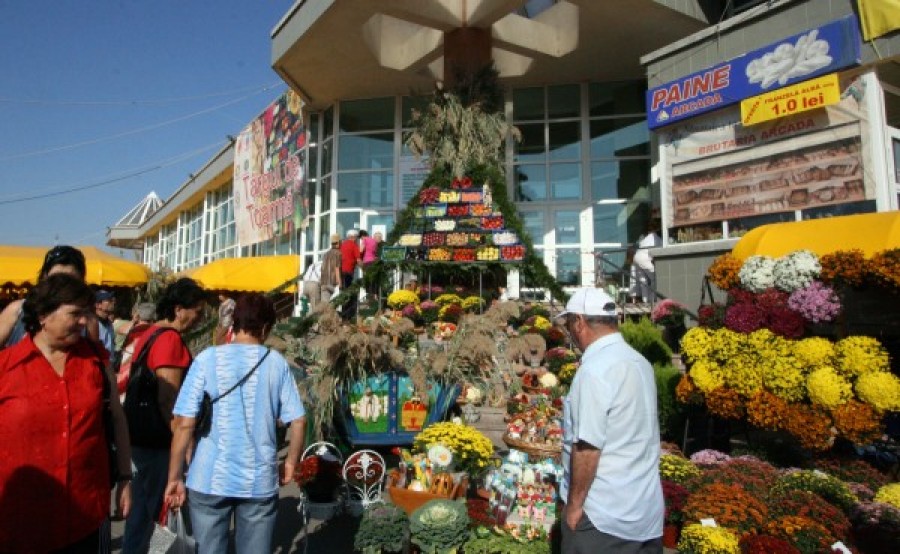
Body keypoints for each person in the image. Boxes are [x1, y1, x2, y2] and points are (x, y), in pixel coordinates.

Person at [0, 273, 133, 553]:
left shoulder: (95, 360)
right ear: (44, 315)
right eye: (75, 313)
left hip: (84, 514)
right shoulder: (6, 367)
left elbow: (116, 418)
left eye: (86, 312)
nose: (85, 321)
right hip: (20, 521)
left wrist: (124, 478)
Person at [164, 293, 306, 554]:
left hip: (207, 479)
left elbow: (184, 423)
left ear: (234, 323)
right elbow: (298, 419)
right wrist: (290, 462)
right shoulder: (276, 363)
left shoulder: (206, 359)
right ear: (265, 328)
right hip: (258, 481)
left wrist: (174, 477)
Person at [556, 287, 663, 554]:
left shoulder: (594, 370)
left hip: (603, 518)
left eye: (569, 323)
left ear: (579, 322)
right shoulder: (640, 363)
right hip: (645, 511)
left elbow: (588, 448)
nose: (569, 332)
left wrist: (574, 507)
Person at [122, 277, 206, 554]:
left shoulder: (150, 333)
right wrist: (182, 440)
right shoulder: (169, 340)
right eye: (197, 311)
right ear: (180, 308)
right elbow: (168, 397)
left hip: (139, 436)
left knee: (140, 513)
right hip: (159, 441)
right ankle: (158, 552)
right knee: (162, 513)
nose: (200, 317)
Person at [0, 245, 91, 348]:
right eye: (55, 278)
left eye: (69, 280)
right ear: (44, 277)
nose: (61, 286)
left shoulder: (88, 320)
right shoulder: (17, 310)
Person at [115, 302, 157, 397]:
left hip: (125, 372)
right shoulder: (152, 332)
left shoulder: (132, 331)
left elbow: (119, 330)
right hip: (140, 376)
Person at [630, 220, 662, 303]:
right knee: (655, 278)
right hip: (644, 258)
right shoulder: (657, 239)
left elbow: (639, 246)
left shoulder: (645, 238)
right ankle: (652, 300)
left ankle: (645, 300)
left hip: (636, 258)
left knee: (642, 281)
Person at [320, 234, 343, 304]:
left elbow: (322, 268)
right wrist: (340, 283)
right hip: (332, 283)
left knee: (324, 305)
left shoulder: (326, 254)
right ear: (338, 243)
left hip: (323, 282)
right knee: (335, 305)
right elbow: (337, 268)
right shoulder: (338, 253)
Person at [95, 289, 117, 354]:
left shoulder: (109, 323)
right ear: (98, 305)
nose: (113, 302)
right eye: (109, 300)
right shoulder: (92, 325)